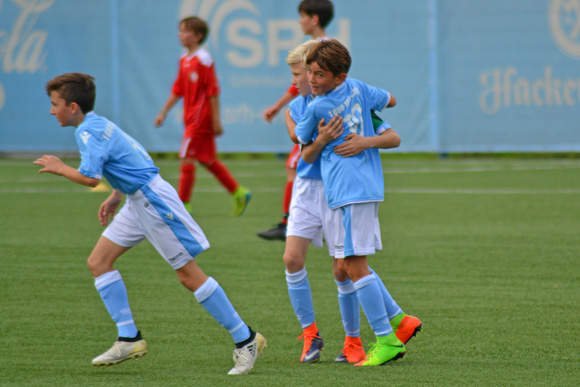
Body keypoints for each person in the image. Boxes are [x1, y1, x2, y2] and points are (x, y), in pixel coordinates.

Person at [35, 72, 266, 375]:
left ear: (73, 107)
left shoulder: (87, 132)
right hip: (135, 200)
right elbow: (132, 157)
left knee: (189, 276)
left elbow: (91, 178)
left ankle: (245, 339)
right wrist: (118, 194)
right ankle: (129, 337)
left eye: (55, 104)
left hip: (153, 203)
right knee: (99, 262)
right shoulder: (100, 123)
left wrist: (61, 167)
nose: (52, 110)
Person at [283, 41, 421, 364]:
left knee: (350, 267)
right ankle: (398, 322)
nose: (305, 80)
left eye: (309, 74)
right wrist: (316, 135)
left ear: (337, 76)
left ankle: (380, 339)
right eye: (307, 73)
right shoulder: (350, 91)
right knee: (345, 264)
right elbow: (303, 144)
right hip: (345, 190)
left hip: (349, 191)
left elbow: (391, 134)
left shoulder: (326, 103)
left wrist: (362, 140)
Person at [154, 16, 251, 217]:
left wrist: (216, 120)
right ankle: (239, 192)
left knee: (186, 159)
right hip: (190, 119)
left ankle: (183, 206)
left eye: (185, 31)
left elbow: (213, 91)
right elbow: (178, 89)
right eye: (180, 31)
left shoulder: (204, 59)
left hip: (200, 119)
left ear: (197, 36)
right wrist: (164, 112)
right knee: (207, 159)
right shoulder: (183, 60)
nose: (180, 35)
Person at [257, 0, 334, 241]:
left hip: (314, 118)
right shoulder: (314, 46)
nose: (299, 20)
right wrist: (281, 107)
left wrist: (283, 109)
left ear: (314, 19)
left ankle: (291, 221)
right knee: (295, 166)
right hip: (308, 115)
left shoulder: (323, 48)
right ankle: (291, 220)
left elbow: (315, 84)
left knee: (297, 165)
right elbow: (299, 85)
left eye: (302, 16)